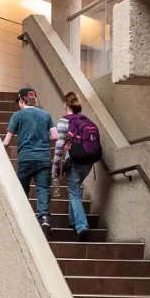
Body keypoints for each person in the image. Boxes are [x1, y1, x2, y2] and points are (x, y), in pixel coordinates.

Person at [2, 87, 58, 229]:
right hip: (44, 158)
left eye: (18, 101)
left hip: (25, 158)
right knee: (43, 189)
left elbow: (7, 142)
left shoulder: (18, 116)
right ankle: (44, 217)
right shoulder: (46, 115)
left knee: (22, 188)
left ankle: (23, 218)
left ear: (22, 100)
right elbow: (55, 136)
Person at [56, 91, 102, 234]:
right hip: (88, 163)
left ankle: (81, 226)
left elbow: (59, 145)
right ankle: (72, 221)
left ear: (66, 104)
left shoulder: (64, 121)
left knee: (74, 192)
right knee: (75, 189)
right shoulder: (87, 121)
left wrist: (56, 165)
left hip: (74, 162)